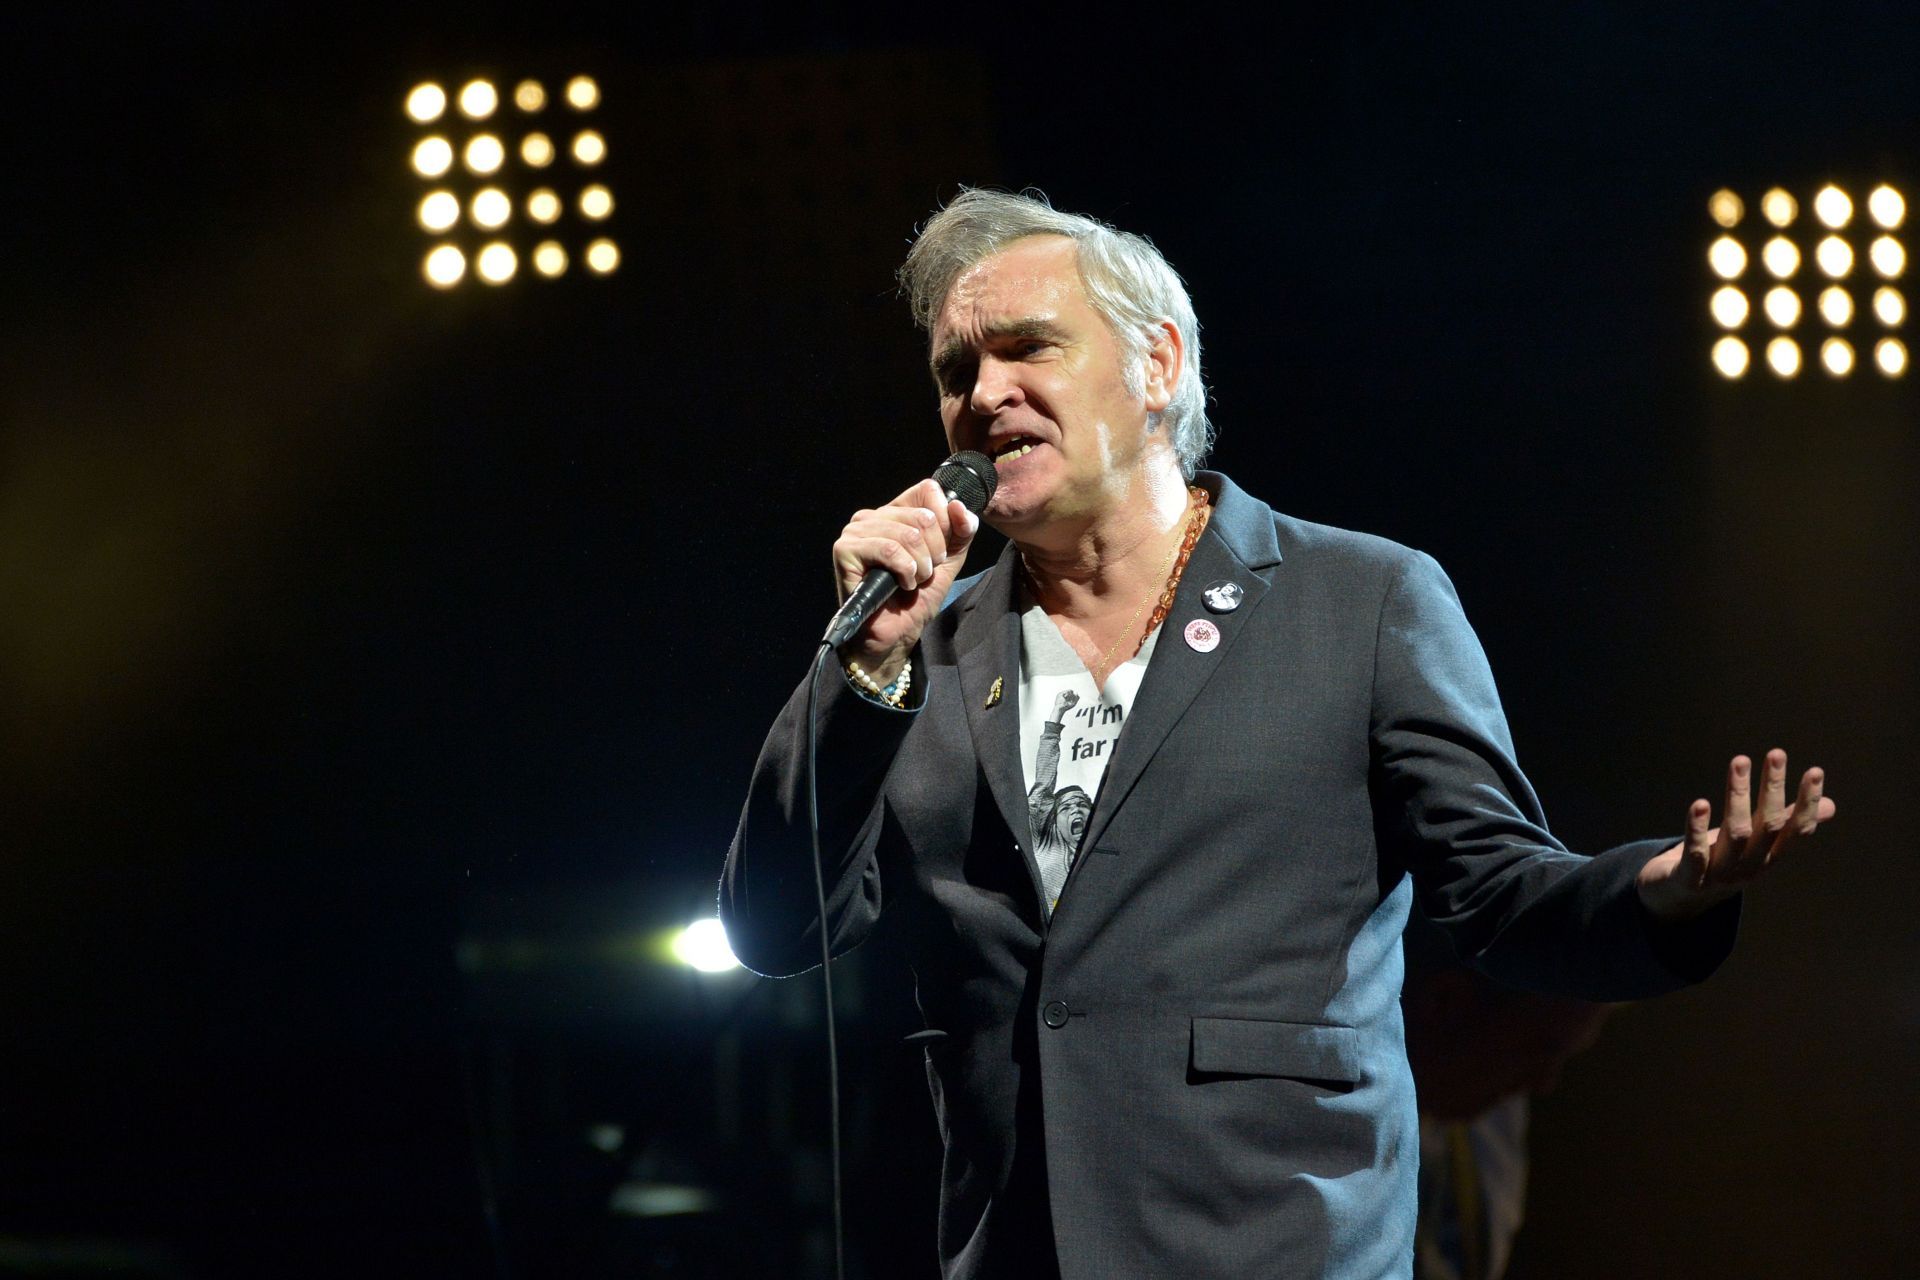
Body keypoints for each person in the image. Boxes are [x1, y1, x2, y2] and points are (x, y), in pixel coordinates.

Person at [719, 188, 1835, 1279]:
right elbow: (777, 925)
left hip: (1276, 1236)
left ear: (1156, 365)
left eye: (1027, 349)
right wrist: (862, 666)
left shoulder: (1360, 600)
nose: (985, 393)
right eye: (955, 371)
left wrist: (1669, 886)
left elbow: (1499, 894)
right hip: (1016, 1246)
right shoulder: (931, 651)